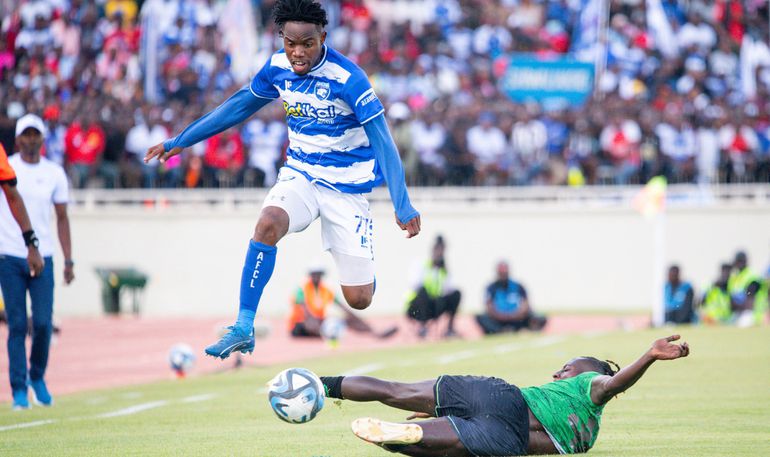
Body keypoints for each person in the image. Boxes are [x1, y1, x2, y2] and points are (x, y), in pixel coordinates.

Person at [144, 0, 420, 359]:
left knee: (359, 298)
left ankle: (361, 262)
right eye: (290, 43)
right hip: (301, 174)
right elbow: (238, 106)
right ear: (282, 40)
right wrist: (181, 141)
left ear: (323, 38)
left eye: (307, 44)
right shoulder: (277, 67)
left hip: (346, 188)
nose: (297, 52)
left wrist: (402, 204)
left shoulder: (349, 79)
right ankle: (243, 326)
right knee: (268, 223)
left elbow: (384, 142)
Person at [320, 335, 690, 456]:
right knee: (432, 448)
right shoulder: (586, 437)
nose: (557, 373)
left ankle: (323, 384)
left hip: (500, 396)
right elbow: (532, 445)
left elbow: (614, 384)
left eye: (566, 368)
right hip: (506, 438)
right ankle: (409, 436)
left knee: (396, 390)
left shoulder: (591, 383)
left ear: (586, 372)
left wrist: (649, 355)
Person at [0, 114, 74, 410]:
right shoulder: (8, 166)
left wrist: (69, 259)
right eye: (26, 134)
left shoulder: (54, 173)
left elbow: (62, 218)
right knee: (17, 324)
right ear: (18, 139)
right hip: (9, 254)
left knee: (43, 323)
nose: (31, 139)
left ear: (43, 139)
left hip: (44, 256)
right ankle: (18, 389)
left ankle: (37, 376)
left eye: (35, 134)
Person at [289, 264, 398, 339]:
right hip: (300, 324)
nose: (316, 277)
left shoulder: (326, 290)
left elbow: (343, 308)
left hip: (318, 322)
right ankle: (328, 335)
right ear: (310, 275)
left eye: (319, 274)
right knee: (314, 323)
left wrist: (356, 319)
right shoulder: (302, 289)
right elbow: (306, 313)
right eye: (314, 274)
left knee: (346, 320)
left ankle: (374, 332)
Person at [405, 236, 461, 339]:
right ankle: (421, 327)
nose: (440, 253)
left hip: (434, 306)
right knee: (423, 292)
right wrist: (433, 269)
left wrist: (443, 271)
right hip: (416, 307)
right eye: (437, 249)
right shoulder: (421, 264)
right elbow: (415, 284)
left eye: (442, 250)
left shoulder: (443, 269)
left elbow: (450, 288)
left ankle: (449, 329)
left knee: (456, 294)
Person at [475, 260, 546, 335]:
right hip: (498, 320)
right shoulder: (491, 288)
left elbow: (525, 304)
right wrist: (502, 316)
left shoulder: (518, 286)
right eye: (501, 273)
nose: (503, 275)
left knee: (538, 317)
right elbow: (489, 307)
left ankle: (524, 329)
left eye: (505, 273)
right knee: (481, 318)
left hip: (517, 319)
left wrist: (515, 315)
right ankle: (501, 331)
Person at [728, 251, 768, 326]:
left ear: (746, 261)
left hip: (753, 314)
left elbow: (750, 297)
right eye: (738, 261)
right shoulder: (734, 277)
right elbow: (731, 298)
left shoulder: (751, 275)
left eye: (742, 260)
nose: (740, 263)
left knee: (744, 322)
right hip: (738, 313)